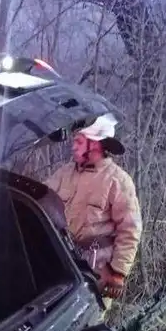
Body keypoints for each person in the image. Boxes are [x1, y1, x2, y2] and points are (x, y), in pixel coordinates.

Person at [44, 113, 143, 310]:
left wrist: (118, 273)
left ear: (96, 145)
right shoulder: (64, 174)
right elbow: (40, 199)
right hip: (61, 262)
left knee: (87, 322)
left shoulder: (118, 181)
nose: (74, 146)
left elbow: (130, 229)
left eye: (79, 142)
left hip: (96, 271)